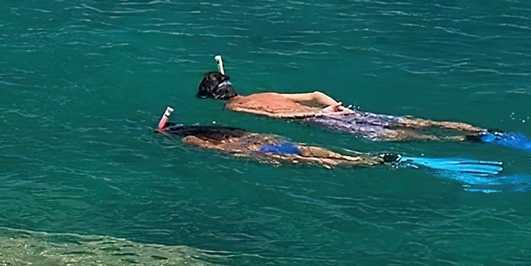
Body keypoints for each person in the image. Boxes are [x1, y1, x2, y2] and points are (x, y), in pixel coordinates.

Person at [195, 65, 488, 143]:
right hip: (334, 111)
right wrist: (335, 107)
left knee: (387, 134)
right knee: (402, 120)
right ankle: (472, 129)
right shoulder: (267, 93)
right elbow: (316, 92)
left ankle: (461, 139)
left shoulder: (233, 108)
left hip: (318, 119)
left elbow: (279, 119)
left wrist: (319, 115)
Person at [156, 107, 390, 167]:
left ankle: (361, 164)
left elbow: (220, 150)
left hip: (257, 151)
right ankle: (358, 157)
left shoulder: (191, 140)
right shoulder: (223, 130)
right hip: (271, 142)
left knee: (311, 162)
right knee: (309, 151)